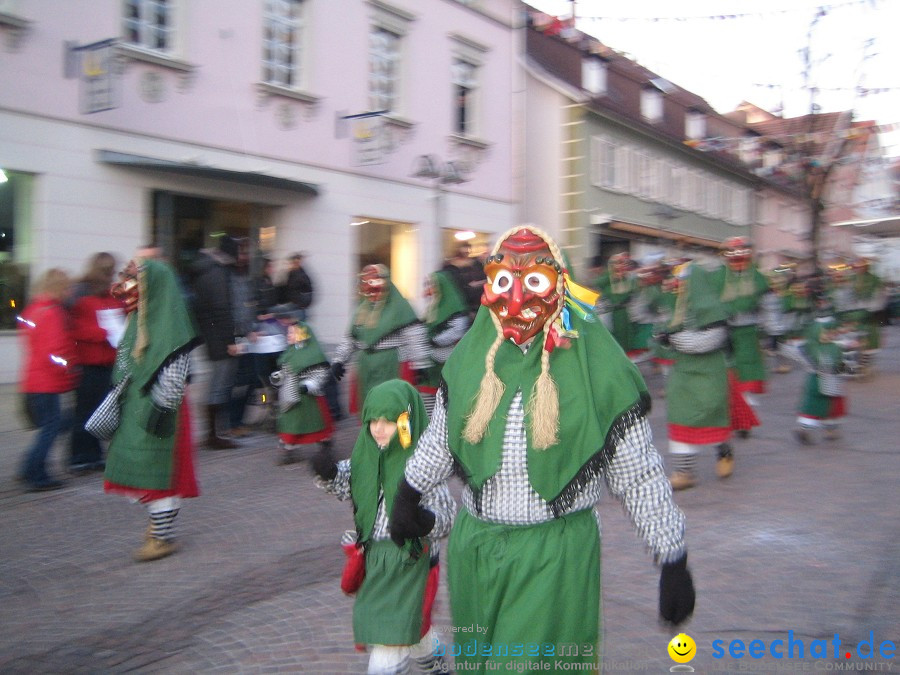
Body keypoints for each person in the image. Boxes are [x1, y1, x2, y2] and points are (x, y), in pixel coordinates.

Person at [390, 226, 694, 673]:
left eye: (533, 281)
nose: (515, 300)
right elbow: (441, 436)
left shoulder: (596, 367)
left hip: (553, 555)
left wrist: (672, 554)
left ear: (560, 285)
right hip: (475, 550)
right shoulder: (473, 356)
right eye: (503, 282)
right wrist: (408, 492)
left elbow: (637, 471)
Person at [313, 379, 454, 675]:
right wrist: (328, 472)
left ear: (406, 422)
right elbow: (346, 482)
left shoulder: (423, 467)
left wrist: (424, 520)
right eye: (373, 420)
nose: (379, 428)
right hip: (377, 561)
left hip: (412, 562)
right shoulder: (365, 459)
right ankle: (435, 660)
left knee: (388, 642)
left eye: (389, 421)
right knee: (412, 628)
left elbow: (446, 516)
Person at [102, 257, 201, 562]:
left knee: (160, 474)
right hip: (137, 404)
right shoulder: (138, 319)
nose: (129, 286)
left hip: (160, 407)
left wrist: (162, 406)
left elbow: (175, 366)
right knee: (143, 469)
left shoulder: (169, 322)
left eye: (137, 280)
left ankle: (161, 537)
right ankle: (158, 529)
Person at [658, 259, 735, 490]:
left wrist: (675, 339)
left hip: (708, 374)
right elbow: (664, 332)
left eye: (682, 281)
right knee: (680, 417)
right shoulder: (676, 306)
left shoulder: (713, 309)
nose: (678, 285)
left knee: (710, 416)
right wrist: (662, 338)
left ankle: (724, 451)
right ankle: (684, 472)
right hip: (683, 374)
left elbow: (709, 340)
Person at [330, 264, 430, 414]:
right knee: (370, 407)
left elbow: (414, 336)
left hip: (392, 363)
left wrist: (420, 363)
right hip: (366, 366)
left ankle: (398, 436)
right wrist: (339, 360)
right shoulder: (361, 309)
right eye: (366, 281)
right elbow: (351, 337)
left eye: (375, 280)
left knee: (394, 406)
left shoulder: (399, 306)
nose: (370, 287)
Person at [17, 268, 79, 491]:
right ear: (59, 288)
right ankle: (36, 474)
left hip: (33, 378)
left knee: (50, 426)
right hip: (47, 382)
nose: (71, 291)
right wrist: (69, 368)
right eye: (68, 287)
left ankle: (29, 468)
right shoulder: (52, 313)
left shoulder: (33, 309)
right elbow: (55, 353)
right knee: (51, 428)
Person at [69, 252, 126, 473]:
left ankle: (95, 454)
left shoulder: (113, 298)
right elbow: (76, 330)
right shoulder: (81, 297)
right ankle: (79, 456)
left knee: (102, 412)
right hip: (88, 363)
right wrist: (103, 332)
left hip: (108, 362)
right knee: (84, 412)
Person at [712, 236, 768, 438]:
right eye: (732, 252)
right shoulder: (718, 276)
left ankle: (745, 419)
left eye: (741, 252)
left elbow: (767, 303)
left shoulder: (757, 277)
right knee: (728, 374)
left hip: (749, 334)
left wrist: (772, 331)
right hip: (724, 333)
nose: (737, 257)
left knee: (747, 376)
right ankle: (732, 415)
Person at [191, 235, 242, 449]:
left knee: (215, 383)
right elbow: (222, 309)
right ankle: (214, 435)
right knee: (220, 385)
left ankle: (213, 433)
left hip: (209, 335)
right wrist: (230, 340)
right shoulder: (218, 273)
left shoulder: (205, 270)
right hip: (219, 338)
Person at [792, 291, 853, 445]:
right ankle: (810, 430)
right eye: (827, 332)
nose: (830, 334)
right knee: (822, 406)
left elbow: (841, 362)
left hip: (823, 379)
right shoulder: (824, 345)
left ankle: (824, 429)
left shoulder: (827, 345)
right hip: (824, 380)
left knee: (822, 407)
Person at [273, 317, 335, 465]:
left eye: (292, 333)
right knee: (290, 425)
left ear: (301, 334)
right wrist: (277, 377)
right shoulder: (289, 352)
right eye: (288, 333)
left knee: (317, 423)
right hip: (290, 397)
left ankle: (325, 447)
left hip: (309, 398)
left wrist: (308, 385)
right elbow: (285, 371)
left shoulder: (314, 355)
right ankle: (288, 451)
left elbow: (320, 374)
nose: (288, 335)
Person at [419, 269, 471, 416]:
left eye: (432, 285)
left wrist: (435, 340)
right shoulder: (431, 308)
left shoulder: (455, 309)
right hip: (431, 365)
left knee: (448, 399)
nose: (430, 289)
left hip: (447, 360)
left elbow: (457, 330)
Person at [441, 241, 485, 317]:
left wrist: (479, 283)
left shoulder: (476, 263)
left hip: (475, 301)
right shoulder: (451, 266)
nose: (467, 252)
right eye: (464, 249)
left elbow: (484, 278)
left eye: (468, 249)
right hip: (462, 301)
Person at [282, 252, 314, 321]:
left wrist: (301, 305)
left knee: (300, 327)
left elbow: (308, 292)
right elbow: (288, 289)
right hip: (293, 305)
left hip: (298, 307)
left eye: (297, 261)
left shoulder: (302, 276)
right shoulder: (291, 274)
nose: (294, 264)